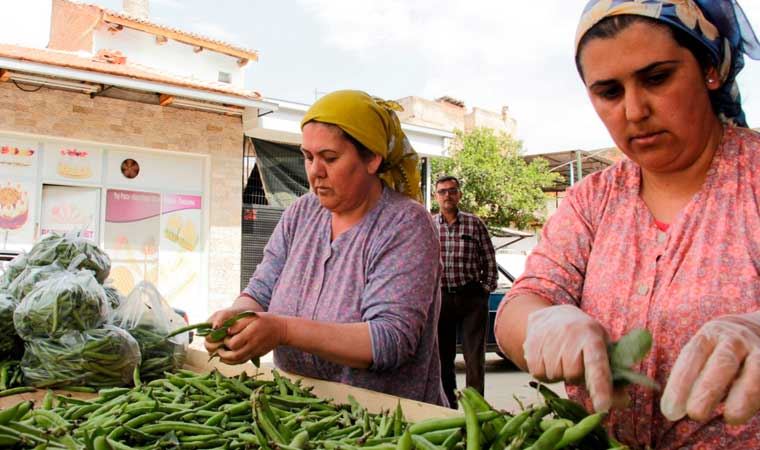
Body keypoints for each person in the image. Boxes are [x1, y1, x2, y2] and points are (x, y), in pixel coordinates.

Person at [494, 1, 760, 448]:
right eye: (609, 92)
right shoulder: (594, 199)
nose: (634, 110)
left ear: (710, 70)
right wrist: (543, 323)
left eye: (657, 78)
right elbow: (522, 304)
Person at [206, 90, 447, 406]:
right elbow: (262, 290)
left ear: (372, 158)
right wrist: (237, 314)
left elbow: (389, 340)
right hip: (300, 411)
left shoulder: (405, 224)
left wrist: (282, 330)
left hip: (383, 424)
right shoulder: (301, 213)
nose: (314, 171)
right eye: (308, 156)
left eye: (330, 158)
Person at [433, 175, 497, 409]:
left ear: (459, 194)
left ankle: (475, 408)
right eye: (442, 192)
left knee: (474, 358)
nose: (447, 195)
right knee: (443, 358)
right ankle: (448, 407)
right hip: (442, 299)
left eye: (451, 191)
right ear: (436, 196)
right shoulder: (430, 224)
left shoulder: (474, 223)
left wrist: (485, 289)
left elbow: (489, 258)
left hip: (471, 298)